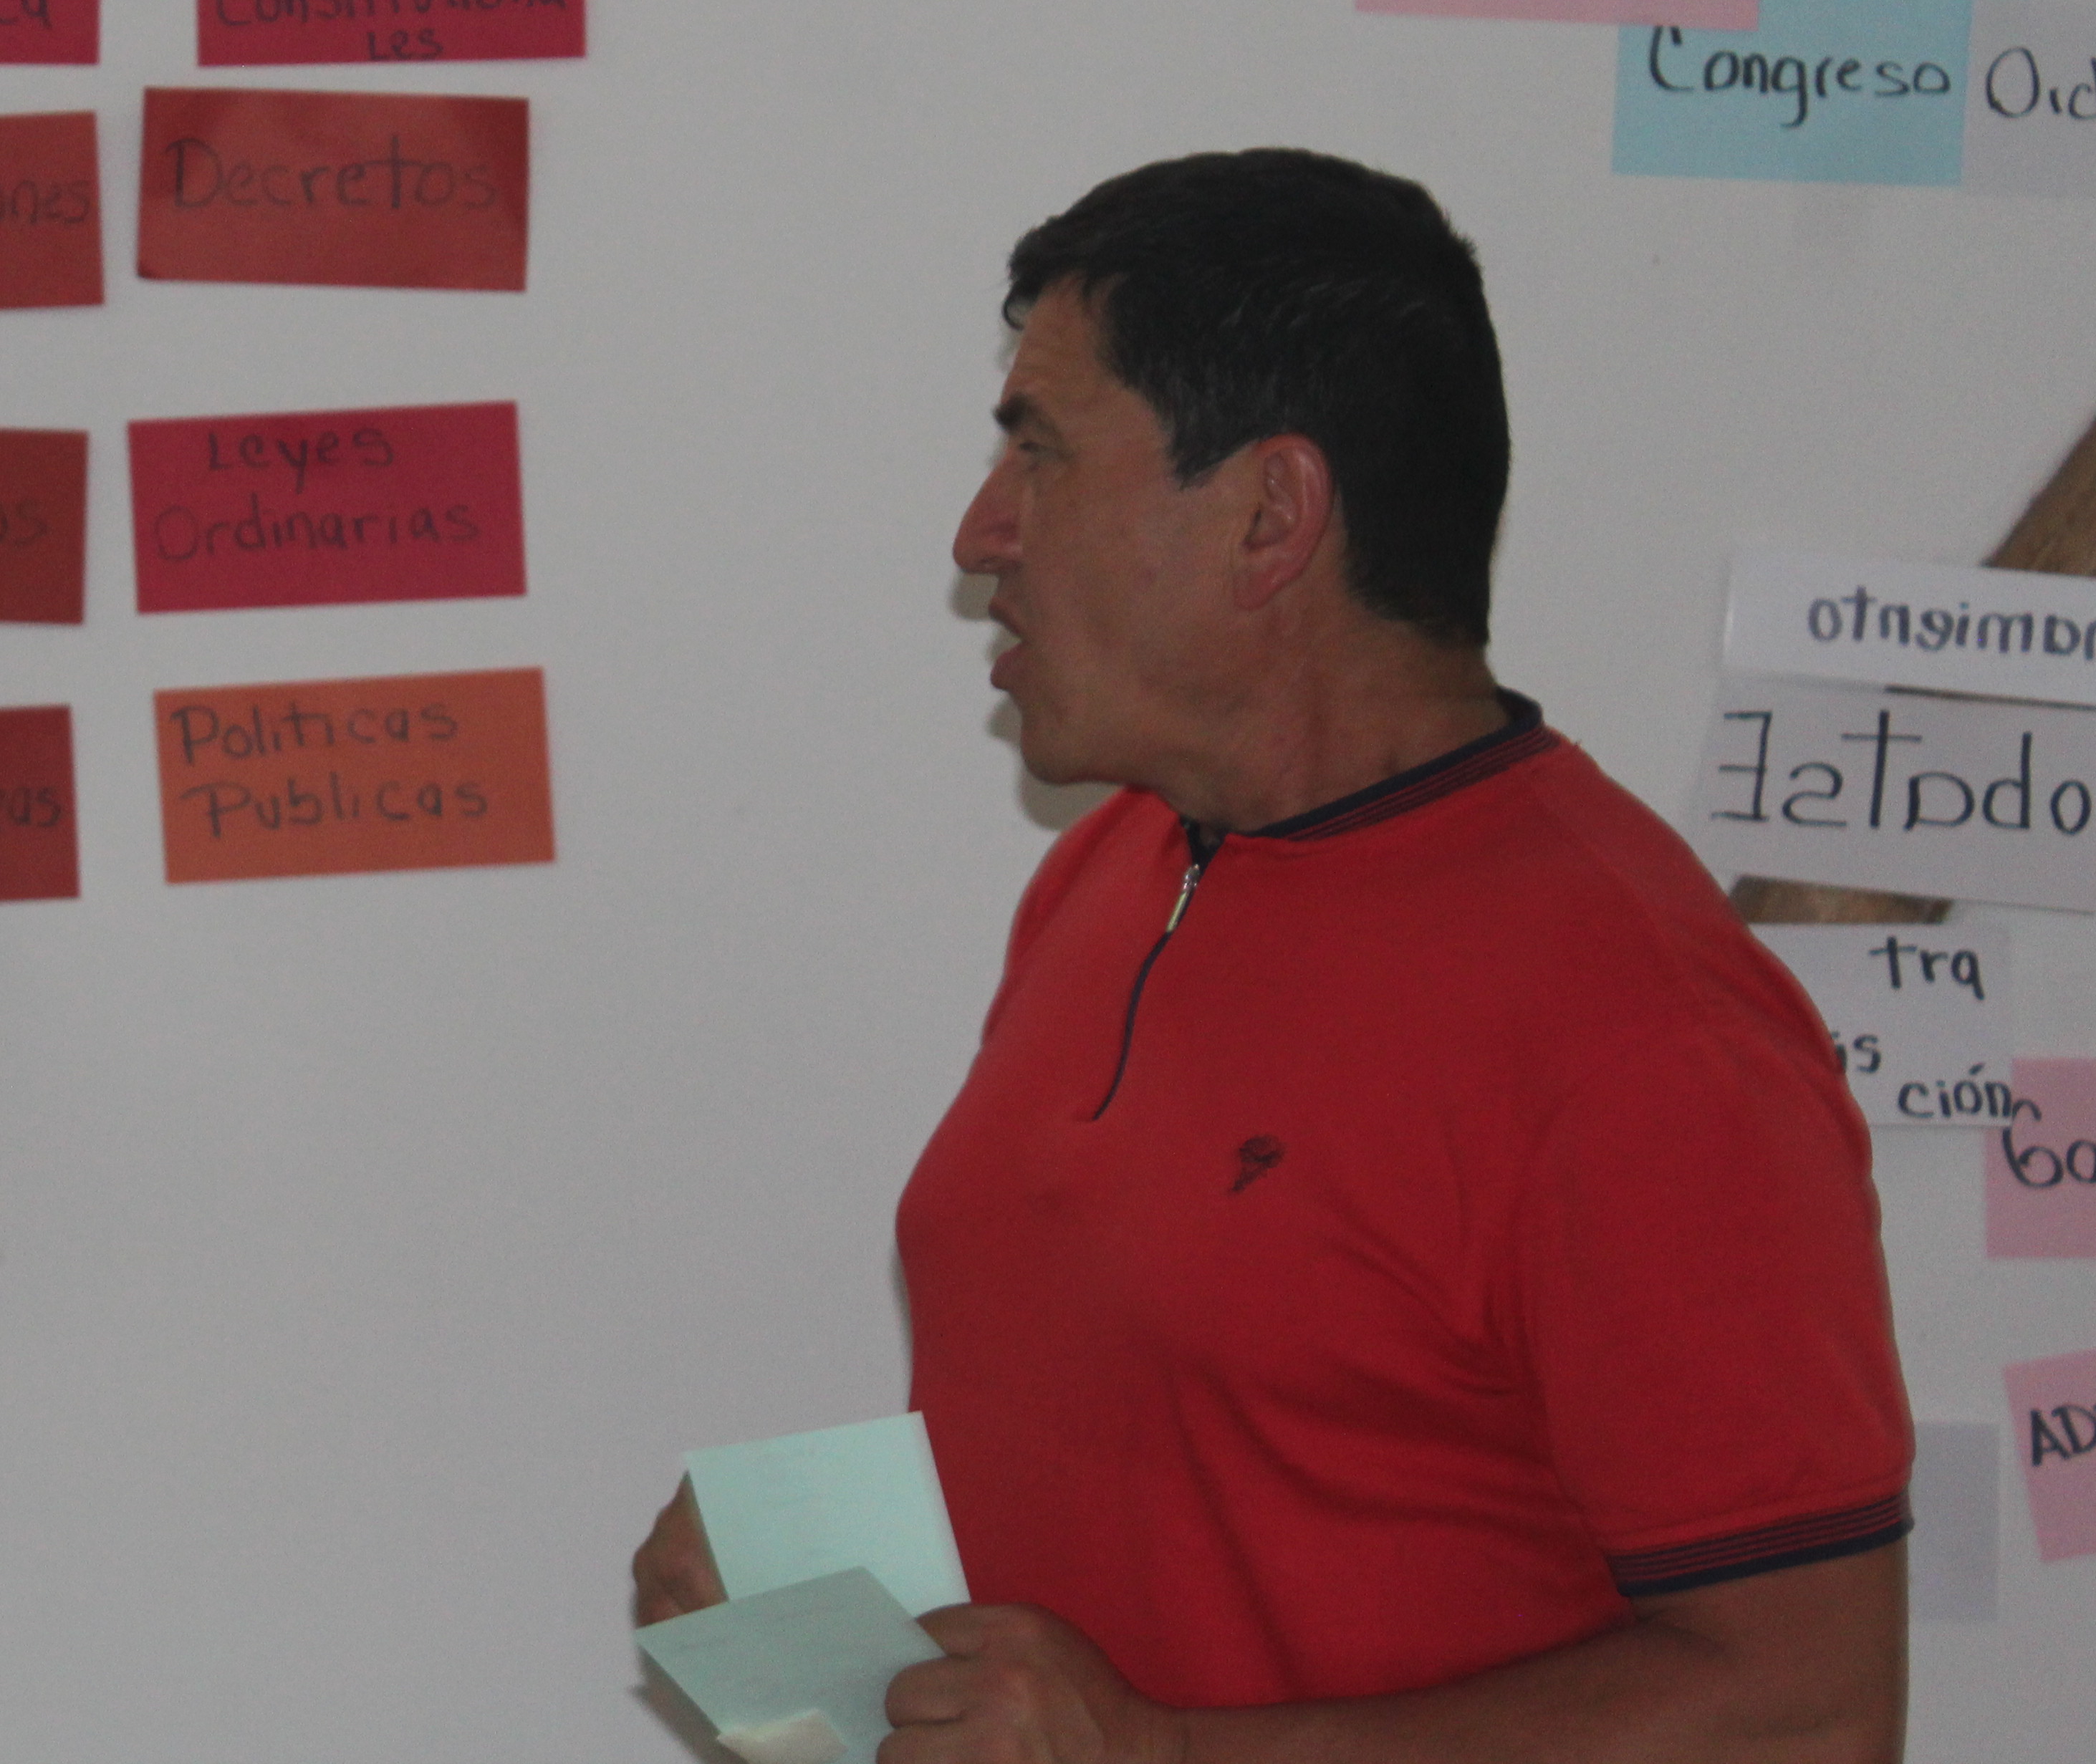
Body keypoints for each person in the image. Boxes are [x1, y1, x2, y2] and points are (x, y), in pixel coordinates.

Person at [633, 150, 1911, 1764]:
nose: (982, 532)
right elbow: (1191, 1459)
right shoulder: (1114, 871)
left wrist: (1161, 1755)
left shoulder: (1643, 1032)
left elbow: (1811, 1714)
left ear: (1270, 516)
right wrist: (825, 1596)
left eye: (1042, 452)